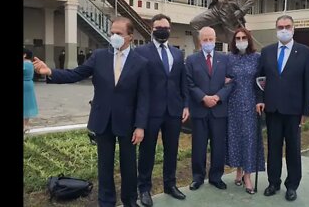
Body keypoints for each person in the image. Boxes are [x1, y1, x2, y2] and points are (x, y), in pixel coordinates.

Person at [33, 17, 149, 207]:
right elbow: (75, 74)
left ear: (130, 36)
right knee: (104, 166)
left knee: (129, 167)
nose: (114, 36)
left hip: (128, 123)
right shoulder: (99, 56)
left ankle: (130, 201)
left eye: (119, 33)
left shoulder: (141, 63)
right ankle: (106, 202)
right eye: (112, 32)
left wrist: (140, 126)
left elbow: (144, 97)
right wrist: (50, 72)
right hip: (102, 120)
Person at [255, 15, 309, 202]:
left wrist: (306, 111)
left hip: (294, 111)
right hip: (272, 110)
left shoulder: (305, 52)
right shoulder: (267, 52)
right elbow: (259, 80)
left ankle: (292, 185)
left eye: (287, 26)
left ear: (293, 29)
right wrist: (260, 100)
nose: (284, 30)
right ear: (276, 29)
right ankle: (273, 183)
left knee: (293, 149)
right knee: (273, 148)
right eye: (280, 26)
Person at [136, 14, 189, 206]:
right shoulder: (141, 52)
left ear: (170, 29)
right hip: (150, 111)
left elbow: (183, 82)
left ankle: (170, 184)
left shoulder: (177, 53)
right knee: (147, 151)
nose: (162, 30)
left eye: (165, 27)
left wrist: (185, 105)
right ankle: (144, 189)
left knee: (171, 150)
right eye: (158, 27)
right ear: (152, 28)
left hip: (173, 111)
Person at [185, 26, 234, 191]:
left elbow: (231, 82)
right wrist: (203, 98)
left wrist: (218, 97)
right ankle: (197, 177)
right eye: (205, 39)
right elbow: (189, 84)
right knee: (198, 146)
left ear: (215, 40)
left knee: (218, 146)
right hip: (199, 110)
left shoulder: (225, 59)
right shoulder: (191, 60)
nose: (208, 42)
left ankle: (216, 177)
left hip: (219, 110)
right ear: (200, 41)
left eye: (210, 39)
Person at [225, 27, 265, 194]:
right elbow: (225, 79)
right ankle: (239, 170)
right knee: (235, 138)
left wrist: (260, 101)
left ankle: (247, 175)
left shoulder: (257, 58)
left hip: (250, 104)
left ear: (249, 39)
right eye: (237, 38)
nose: (240, 41)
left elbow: (261, 81)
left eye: (243, 37)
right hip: (232, 105)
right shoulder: (229, 58)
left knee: (249, 139)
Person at [23, 48, 38, 133]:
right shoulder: (31, 64)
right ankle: (26, 125)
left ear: (25, 55)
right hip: (29, 84)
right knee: (28, 104)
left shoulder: (24, 64)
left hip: (24, 84)